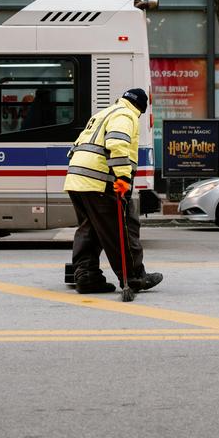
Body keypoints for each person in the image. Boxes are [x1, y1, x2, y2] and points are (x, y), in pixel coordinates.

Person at [64, 88, 163, 294]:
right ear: (140, 107)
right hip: (100, 180)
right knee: (121, 228)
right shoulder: (126, 115)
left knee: (89, 229)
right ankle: (134, 276)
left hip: (77, 180)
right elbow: (117, 144)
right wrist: (123, 178)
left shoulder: (103, 113)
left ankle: (87, 276)